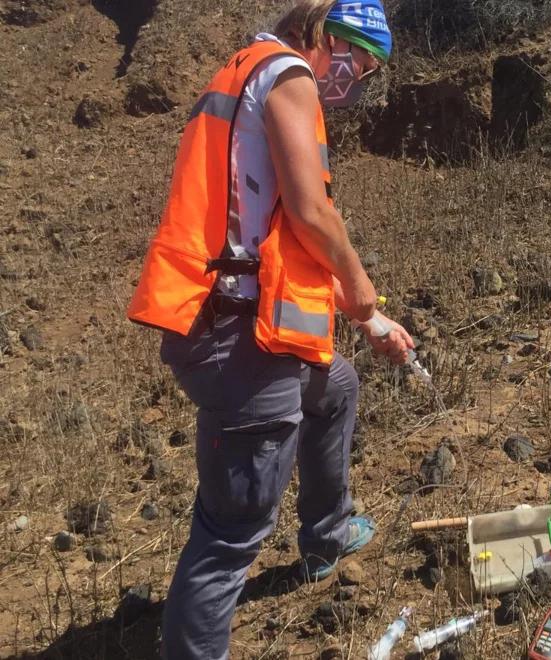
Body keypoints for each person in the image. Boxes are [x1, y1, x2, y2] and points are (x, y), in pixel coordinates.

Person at [125, 1, 414, 657]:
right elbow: (312, 213)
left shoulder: (248, 69)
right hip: (233, 334)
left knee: (334, 386)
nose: (352, 83)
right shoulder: (289, 74)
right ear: (325, 39)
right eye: (356, 64)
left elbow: (274, 230)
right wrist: (364, 296)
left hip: (237, 315)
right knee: (235, 525)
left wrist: (365, 320)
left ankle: (326, 535)